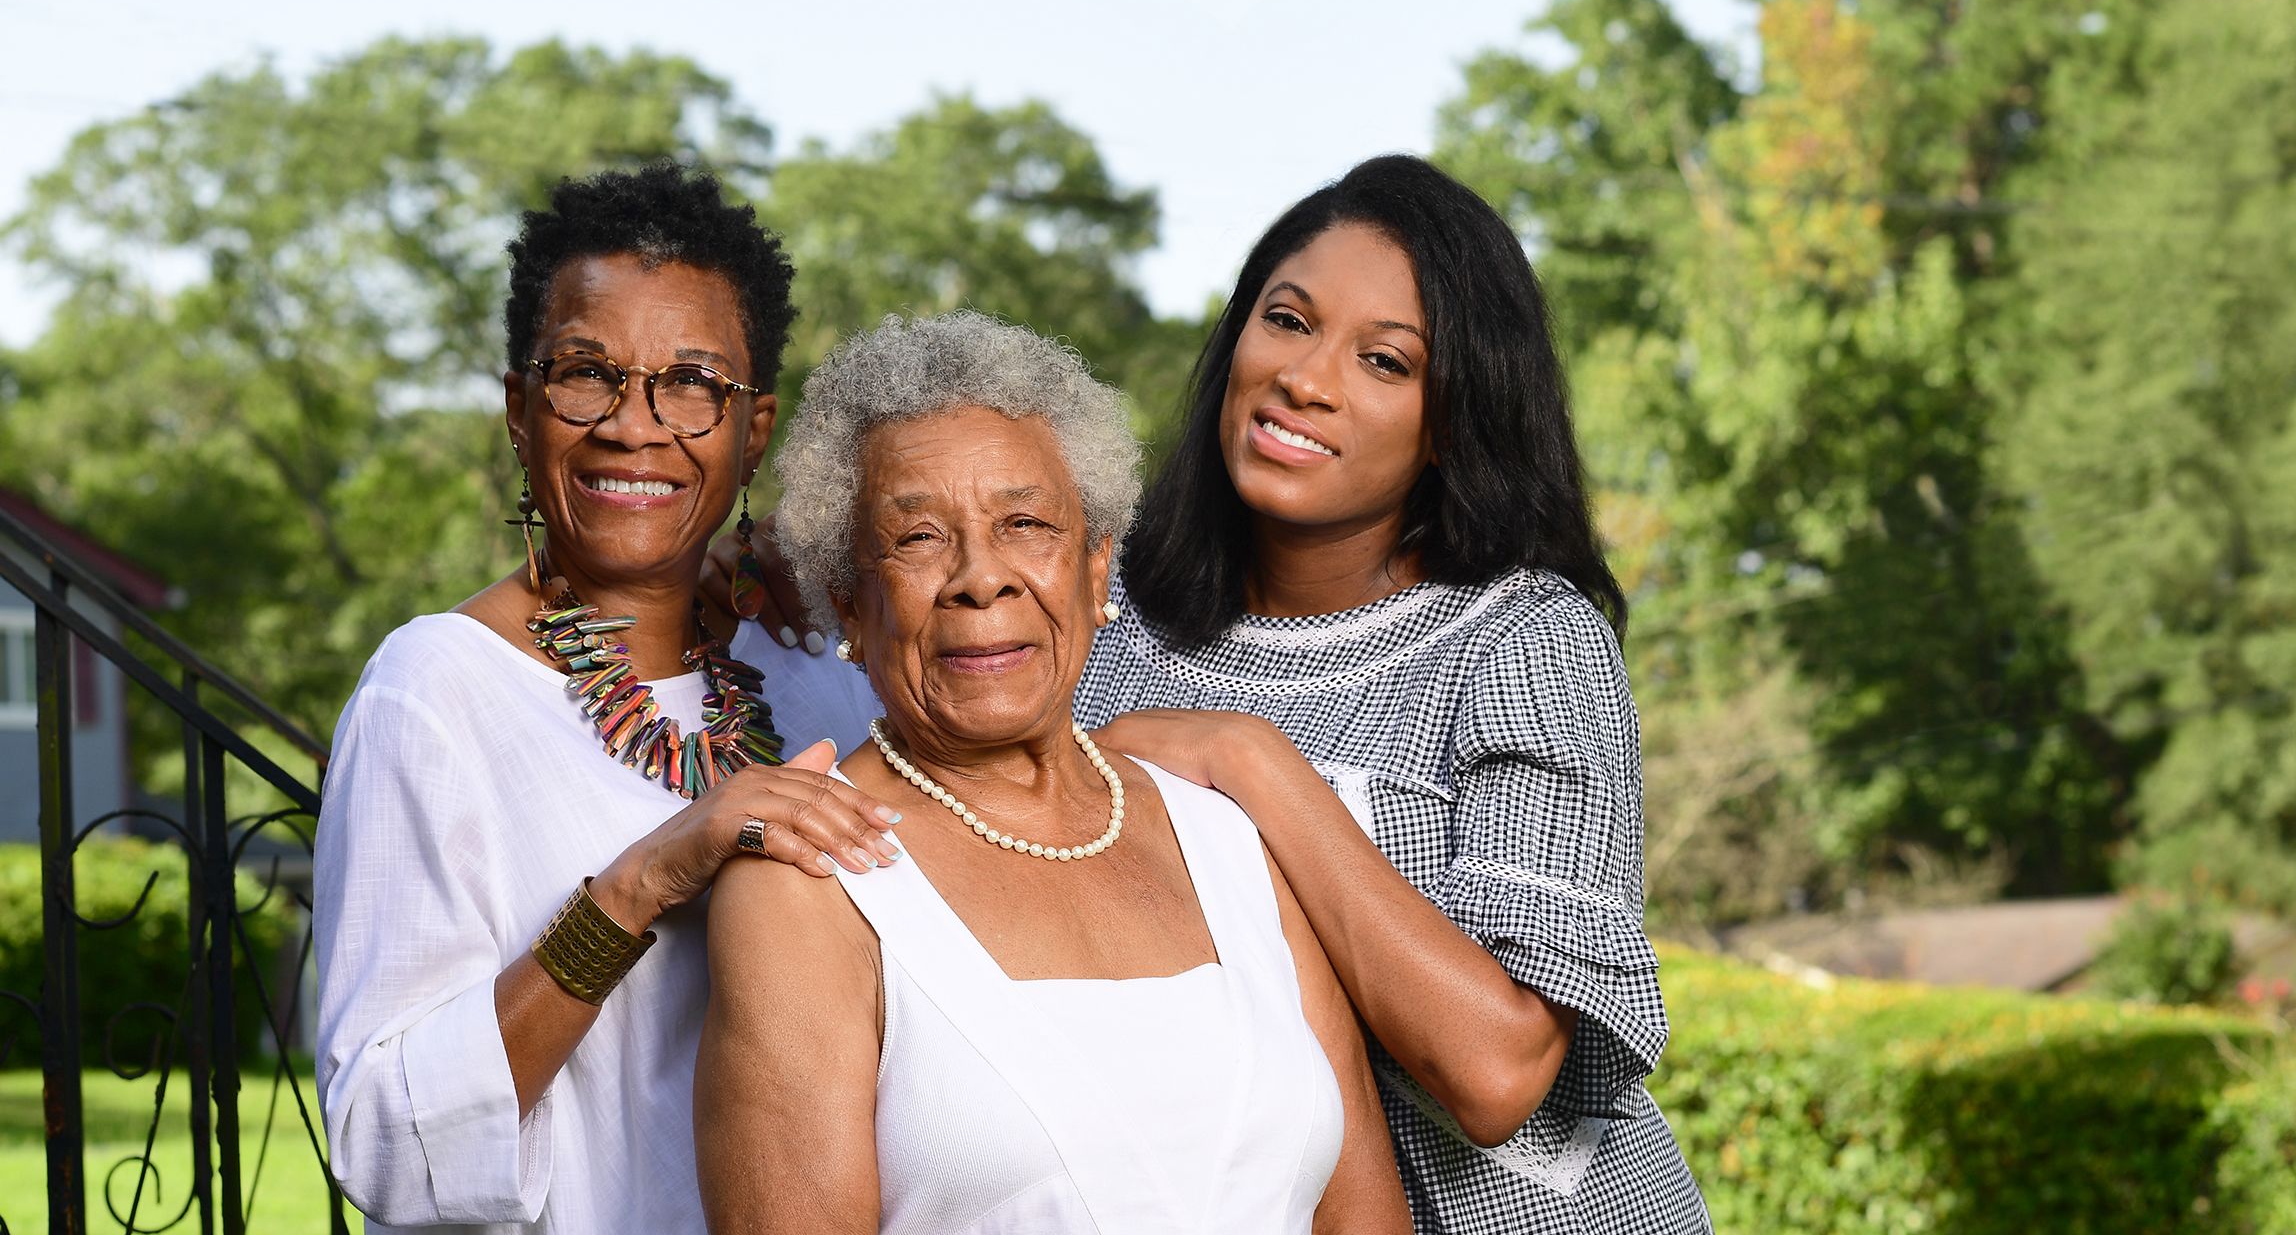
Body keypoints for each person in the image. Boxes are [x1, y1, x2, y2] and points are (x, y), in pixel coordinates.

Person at [1079, 155, 1712, 1232]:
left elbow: (1498, 1073)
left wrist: (1251, 763)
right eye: (1287, 320)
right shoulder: (1100, 618)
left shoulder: (1521, 642)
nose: (1307, 378)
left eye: (1383, 361)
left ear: (1455, 424)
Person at [693, 311, 1408, 1234]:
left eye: (1025, 524)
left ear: (1097, 565)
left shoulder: (1227, 835)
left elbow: (1364, 1217)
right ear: (851, 606)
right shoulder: (803, 883)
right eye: (916, 539)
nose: (979, 578)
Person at [314, 164, 898, 1234]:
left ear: (752, 430)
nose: (636, 425)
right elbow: (382, 1142)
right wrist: (639, 883)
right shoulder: (435, 693)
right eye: (587, 373)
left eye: (692, 384)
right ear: (519, 408)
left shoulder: (819, 681)